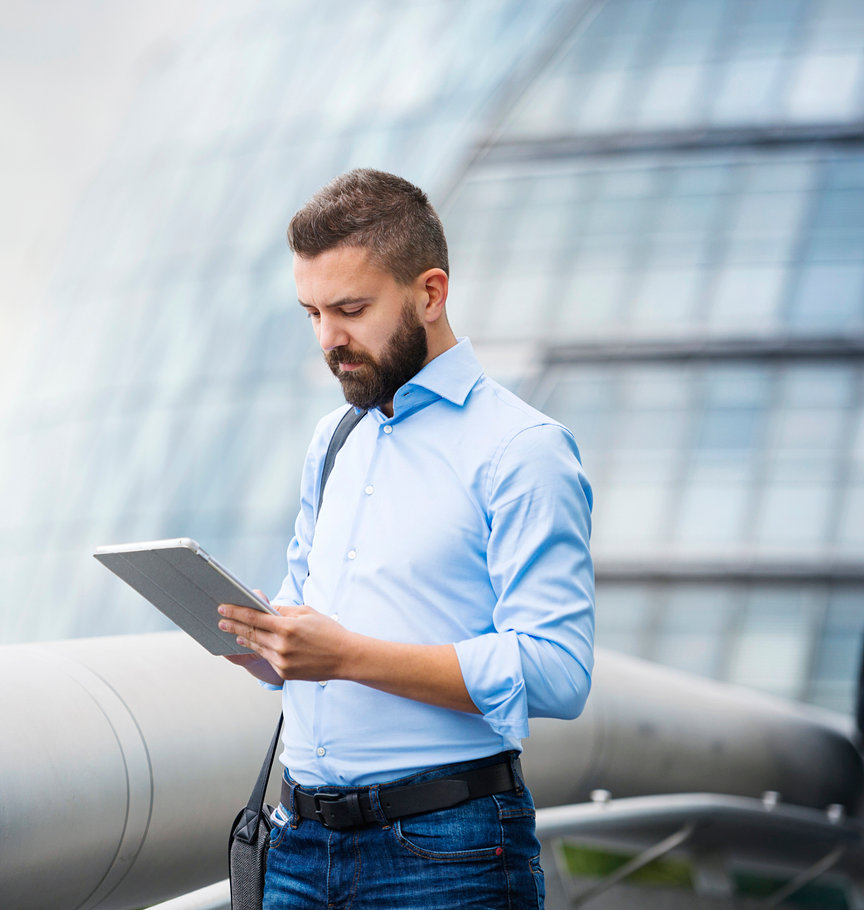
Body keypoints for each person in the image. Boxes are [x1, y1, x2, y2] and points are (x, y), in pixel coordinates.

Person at [217, 168, 594, 909]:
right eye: (311, 313)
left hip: (447, 853)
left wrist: (347, 657)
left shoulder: (521, 449)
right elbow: (309, 614)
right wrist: (266, 644)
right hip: (297, 842)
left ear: (429, 292)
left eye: (350, 309)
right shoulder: (333, 439)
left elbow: (558, 671)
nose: (329, 340)